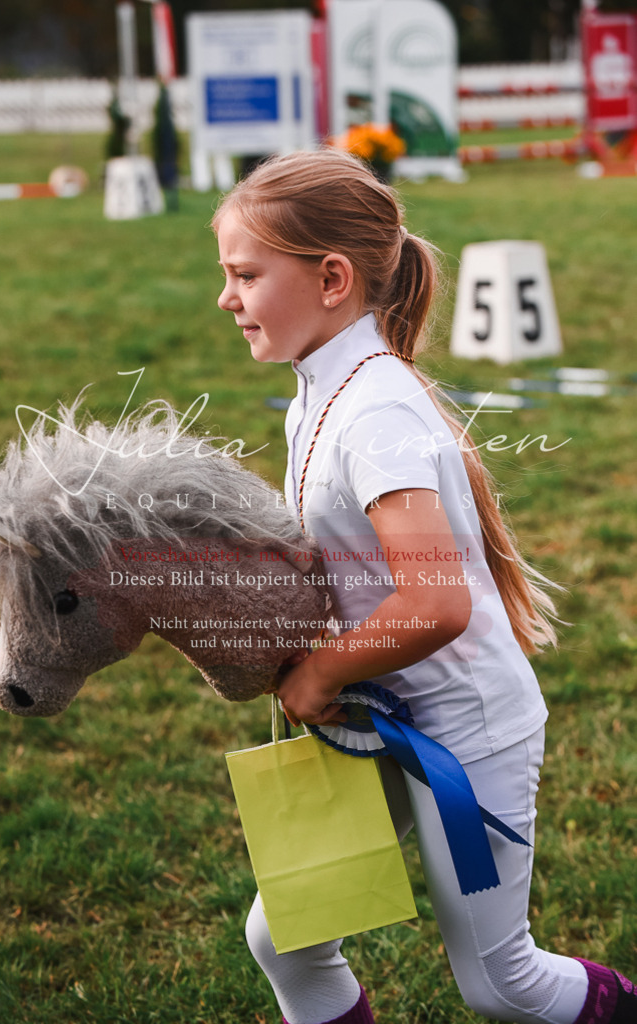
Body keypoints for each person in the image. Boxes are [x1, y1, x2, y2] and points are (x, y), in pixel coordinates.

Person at [213, 149, 635, 1024]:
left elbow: (435, 602)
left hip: (463, 728)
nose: (228, 298)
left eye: (246, 275)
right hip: (381, 718)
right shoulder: (313, 394)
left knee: (502, 983)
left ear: (331, 278)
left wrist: (322, 672)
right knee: (283, 936)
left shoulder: (377, 411)